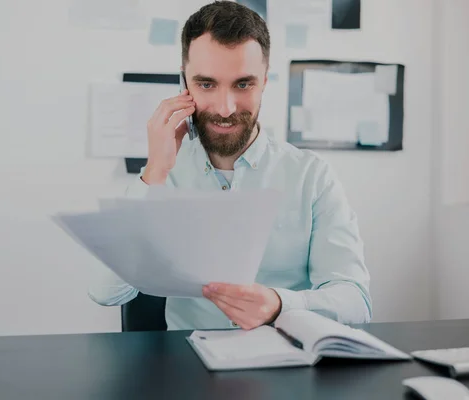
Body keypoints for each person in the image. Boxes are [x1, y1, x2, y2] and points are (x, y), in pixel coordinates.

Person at [89, 1, 372, 330]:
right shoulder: (165, 175)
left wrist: (281, 304)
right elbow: (104, 292)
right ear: (185, 83)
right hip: (187, 367)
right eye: (207, 84)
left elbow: (356, 302)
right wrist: (154, 173)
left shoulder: (311, 176)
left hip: (287, 363)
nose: (225, 109)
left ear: (264, 81)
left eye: (243, 84)